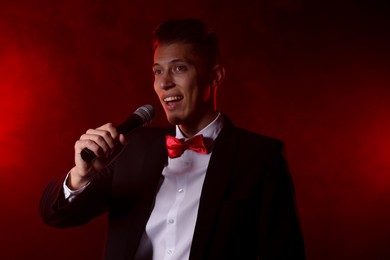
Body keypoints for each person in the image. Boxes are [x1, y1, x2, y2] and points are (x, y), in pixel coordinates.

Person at [40, 18, 306, 259]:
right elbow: (58, 216)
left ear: (215, 76)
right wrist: (80, 176)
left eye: (179, 68)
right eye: (158, 71)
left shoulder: (260, 158)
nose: (164, 83)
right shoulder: (131, 148)